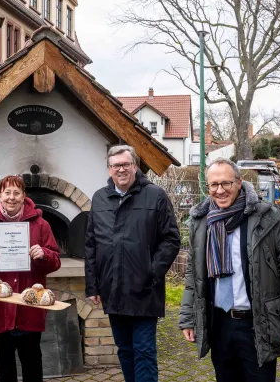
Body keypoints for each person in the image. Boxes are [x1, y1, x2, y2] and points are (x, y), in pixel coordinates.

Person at [179, 157, 280, 382]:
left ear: (239, 182)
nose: (220, 190)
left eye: (226, 183)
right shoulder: (201, 221)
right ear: (207, 187)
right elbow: (193, 274)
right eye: (214, 185)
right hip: (218, 324)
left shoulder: (268, 218)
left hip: (257, 323)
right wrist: (188, 317)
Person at [84, 145, 181, 382]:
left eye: (126, 164)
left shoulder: (155, 195)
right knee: (125, 350)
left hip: (144, 289)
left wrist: (151, 271)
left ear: (135, 166)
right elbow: (91, 244)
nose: (121, 169)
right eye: (116, 165)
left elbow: (171, 239)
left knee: (144, 351)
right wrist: (93, 286)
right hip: (113, 287)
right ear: (109, 169)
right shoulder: (99, 198)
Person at [0, 175, 61, 382]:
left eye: (16, 193)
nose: (12, 197)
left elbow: (55, 261)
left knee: (32, 361)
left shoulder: (41, 224)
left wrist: (43, 254)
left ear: (24, 196)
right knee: (4, 362)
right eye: (7, 192)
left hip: (30, 305)